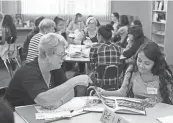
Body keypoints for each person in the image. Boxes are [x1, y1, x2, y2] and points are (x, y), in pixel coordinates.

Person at [4, 33, 92, 109]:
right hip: (13, 115)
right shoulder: (28, 72)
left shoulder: (55, 68)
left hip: (35, 114)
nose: (63, 58)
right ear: (47, 54)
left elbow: (70, 91)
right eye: (61, 54)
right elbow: (44, 99)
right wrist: (75, 81)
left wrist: (59, 102)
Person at [99, 42, 173, 107]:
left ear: (155, 63)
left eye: (147, 63)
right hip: (137, 110)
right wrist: (102, 92)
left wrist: (155, 100)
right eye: (139, 60)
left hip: (158, 111)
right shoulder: (132, 70)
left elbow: (169, 98)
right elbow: (122, 92)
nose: (141, 65)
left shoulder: (163, 74)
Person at [89, 25, 121, 90]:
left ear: (100, 36)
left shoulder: (95, 48)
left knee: (88, 74)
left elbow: (92, 66)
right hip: (114, 82)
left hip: (99, 83)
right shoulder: (117, 47)